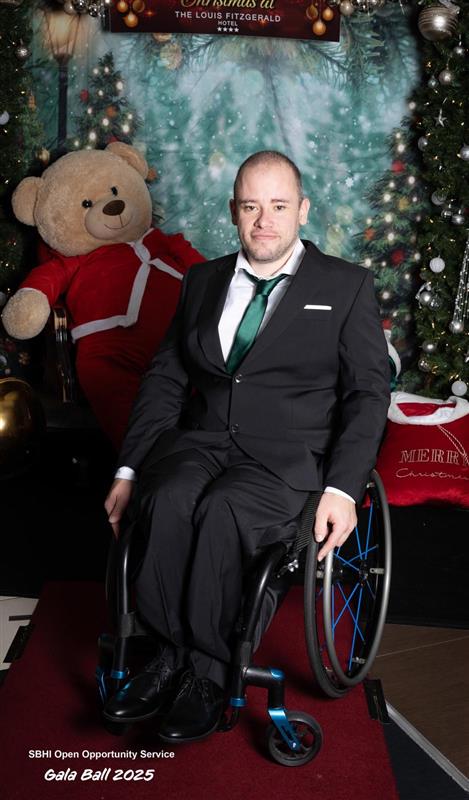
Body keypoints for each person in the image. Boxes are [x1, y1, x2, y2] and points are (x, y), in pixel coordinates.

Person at [103, 151, 390, 743]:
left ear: (302, 210)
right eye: (251, 206)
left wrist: (342, 489)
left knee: (224, 509)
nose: (265, 220)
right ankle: (166, 655)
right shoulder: (202, 281)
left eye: (279, 206)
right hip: (203, 442)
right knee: (168, 495)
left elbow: (367, 393)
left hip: (287, 458)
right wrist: (129, 469)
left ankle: (209, 672)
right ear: (233, 210)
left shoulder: (346, 286)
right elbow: (165, 380)